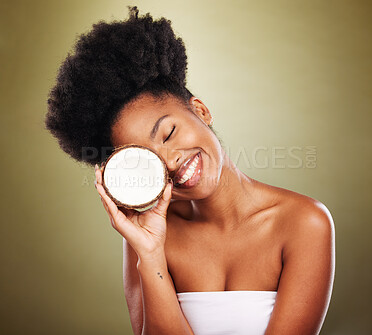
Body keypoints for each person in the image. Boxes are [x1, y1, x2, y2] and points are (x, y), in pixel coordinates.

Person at [45, 5, 335, 335]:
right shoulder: (149, 235)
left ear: (200, 110)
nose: (169, 161)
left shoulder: (304, 222)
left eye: (169, 133)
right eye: (146, 158)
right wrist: (151, 254)